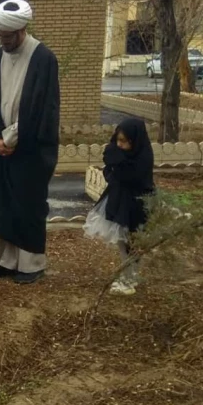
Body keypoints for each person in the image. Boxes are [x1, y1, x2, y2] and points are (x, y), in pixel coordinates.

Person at [0, 0, 60, 284]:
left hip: (30, 150)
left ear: (22, 29)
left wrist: (13, 139)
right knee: (0, 203)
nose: (3, 42)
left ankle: (30, 265)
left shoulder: (43, 59)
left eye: (8, 37)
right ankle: (3, 261)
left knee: (27, 205)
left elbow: (43, 109)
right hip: (0, 148)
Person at [83, 117, 155, 295]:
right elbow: (110, 168)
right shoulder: (117, 153)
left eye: (125, 141)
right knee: (122, 242)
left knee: (133, 242)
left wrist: (117, 168)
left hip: (135, 205)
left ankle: (130, 279)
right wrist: (114, 169)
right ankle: (126, 275)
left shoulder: (142, 157)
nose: (120, 145)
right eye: (119, 140)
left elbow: (129, 176)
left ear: (135, 141)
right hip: (119, 201)